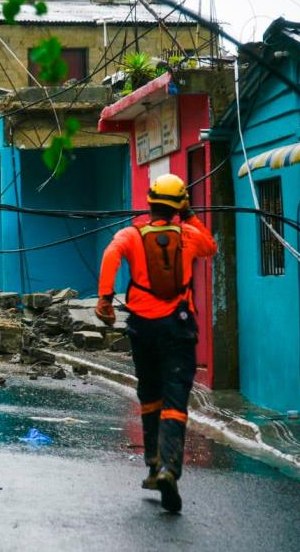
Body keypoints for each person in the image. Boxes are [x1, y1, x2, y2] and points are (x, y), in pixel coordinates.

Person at [95, 174, 217, 514]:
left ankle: (152, 463)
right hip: (177, 329)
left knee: (149, 395)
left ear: (149, 203)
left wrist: (105, 298)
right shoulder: (189, 233)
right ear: (179, 204)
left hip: (142, 329)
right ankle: (169, 468)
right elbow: (211, 247)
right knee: (175, 399)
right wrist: (189, 214)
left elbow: (110, 254)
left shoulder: (131, 235)